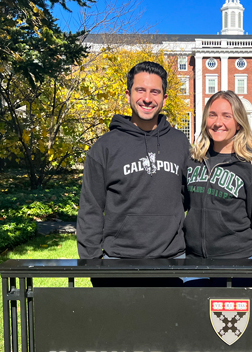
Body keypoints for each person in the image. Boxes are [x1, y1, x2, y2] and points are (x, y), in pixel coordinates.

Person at [76, 61, 190, 286]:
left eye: (155, 92)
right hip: (118, 262)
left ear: (164, 98)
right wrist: (93, 265)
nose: (147, 98)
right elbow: (90, 208)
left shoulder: (180, 143)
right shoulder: (105, 147)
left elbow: (189, 197)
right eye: (141, 90)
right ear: (128, 94)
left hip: (174, 261)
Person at [184, 91, 252, 285]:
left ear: (239, 122)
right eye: (212, 115)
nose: (218, 122)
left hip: (237, 265)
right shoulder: (193, 161)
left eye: (227, 116)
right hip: (193, 264)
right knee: (192, 315)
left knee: (228, 317)